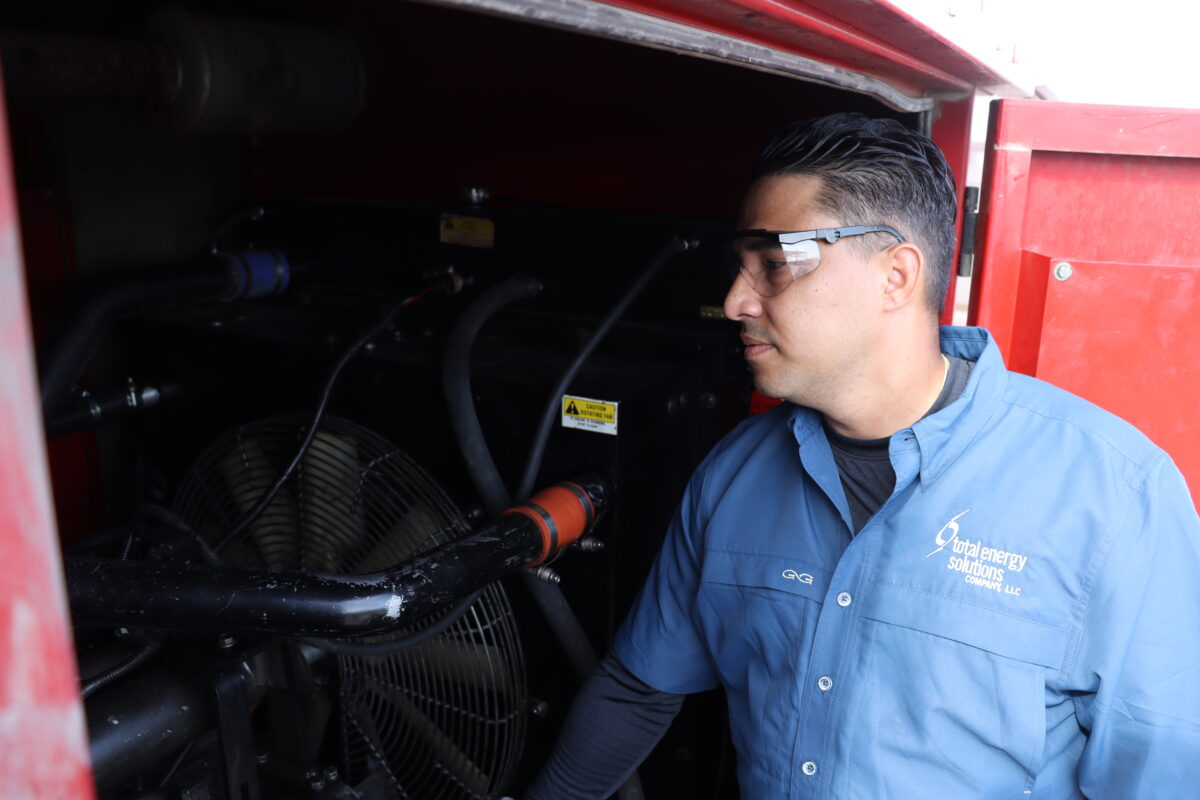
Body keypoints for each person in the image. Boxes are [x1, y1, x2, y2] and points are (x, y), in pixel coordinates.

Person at [527, 113, 1200, 799]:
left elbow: (1163, 774)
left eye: (776, 263)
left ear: (896, 275)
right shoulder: (733, 476)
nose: (735, 301)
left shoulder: (1117, 493)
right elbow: (640, 689)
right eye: (739, 267)